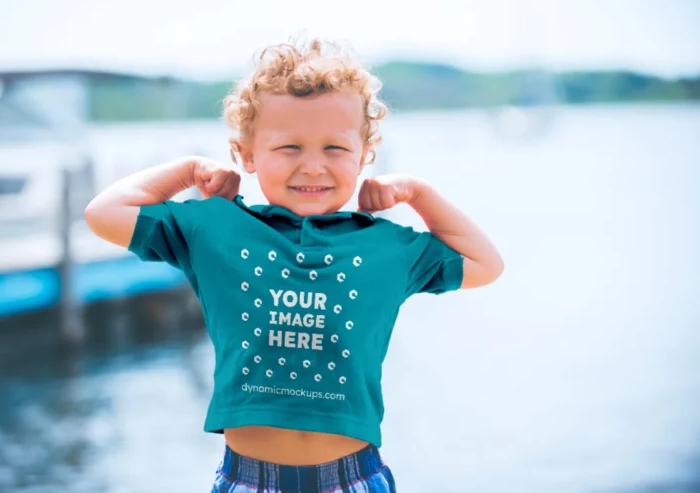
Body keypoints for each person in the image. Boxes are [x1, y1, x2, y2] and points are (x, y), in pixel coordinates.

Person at [85, 36, 504, 493]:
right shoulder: (215, 229)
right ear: (246, 154)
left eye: (335, 149)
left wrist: (418, 194)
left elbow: (486, 264)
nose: (312, 166)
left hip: (353, 478)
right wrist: (186, 172)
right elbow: (103, 214)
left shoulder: (387, 246)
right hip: (248, 480)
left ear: (364, 155)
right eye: (289, 148)